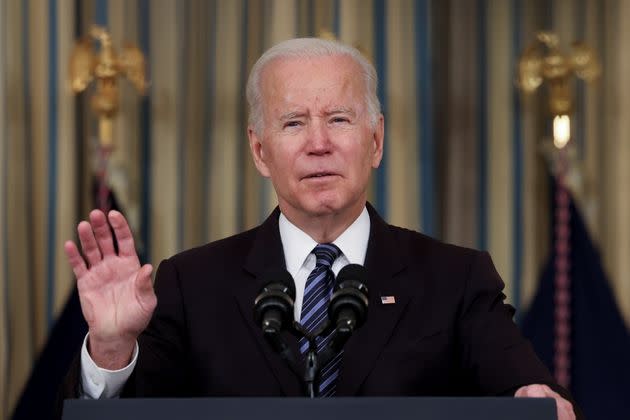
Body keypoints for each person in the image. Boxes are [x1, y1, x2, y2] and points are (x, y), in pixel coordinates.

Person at [61, 38, 578, 419]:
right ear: (260, 150)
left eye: (338, 119)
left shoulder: (456, 279)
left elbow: (527, 391)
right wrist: (109, 349)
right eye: (293, 123)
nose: (318, 144)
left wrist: (537, 399)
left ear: (375, 142)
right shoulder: (191, 284)